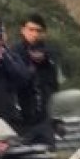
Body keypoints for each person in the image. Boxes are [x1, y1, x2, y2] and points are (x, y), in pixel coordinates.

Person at [14, 14, 64, 146]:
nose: (34, 34)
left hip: (44, 116)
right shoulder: (15, 53)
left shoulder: (49, 54)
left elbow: (54, 85)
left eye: (38, 31)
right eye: (31, 30)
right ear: (23, 30)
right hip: (21, 117)